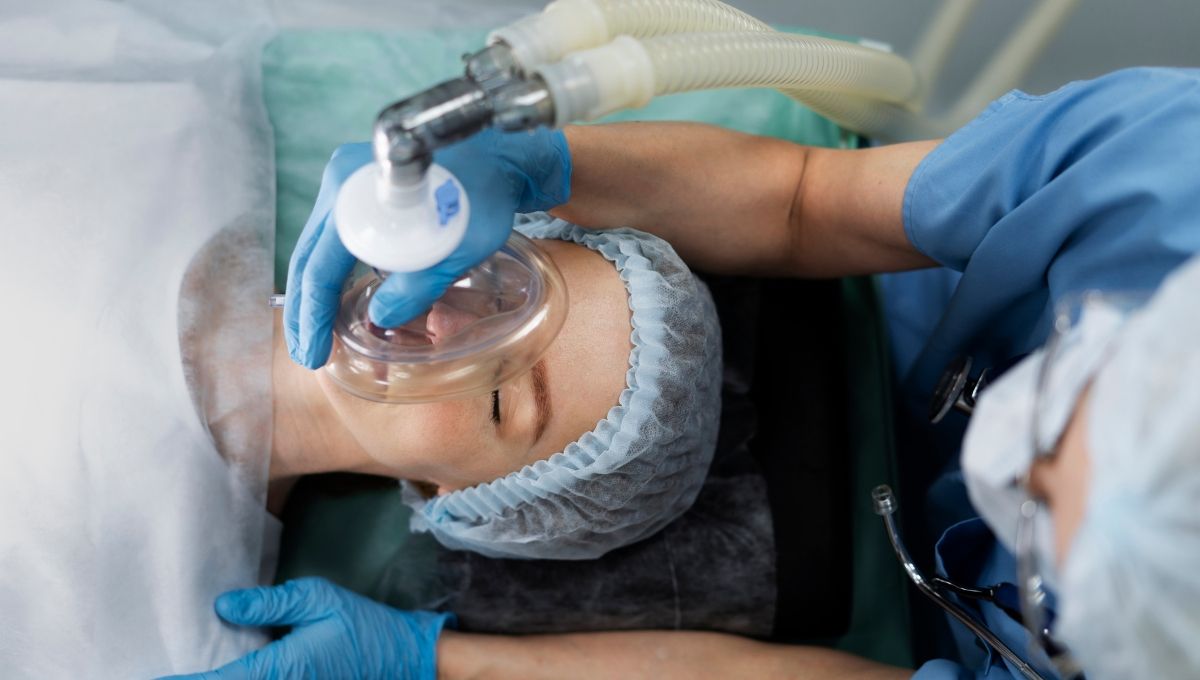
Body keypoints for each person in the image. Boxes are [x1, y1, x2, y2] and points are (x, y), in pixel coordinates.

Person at [183, 67, 1200, 678]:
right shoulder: (1166, 176)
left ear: (461, 501)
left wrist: (434, 658)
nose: (449, 323)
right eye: (504, 284)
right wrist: (552, 162)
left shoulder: (156, 581)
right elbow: (811, 197)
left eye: (506, 399)